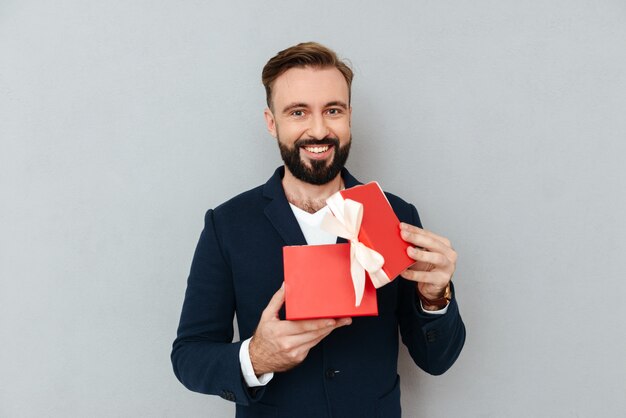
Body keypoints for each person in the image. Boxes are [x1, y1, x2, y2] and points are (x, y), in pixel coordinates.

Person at [171, 42, 465, 418]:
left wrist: (435, 298)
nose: (319, 129)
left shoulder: (395, 214)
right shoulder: (227, 224)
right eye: (298, 112)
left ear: (349, 116)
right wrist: (256, 357)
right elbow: (189, 356)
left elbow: (436, 360)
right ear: (271, 122)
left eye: (333, 110)